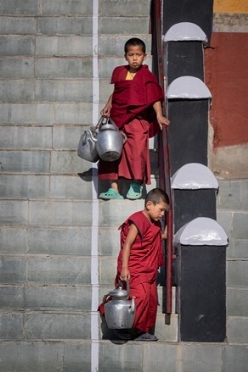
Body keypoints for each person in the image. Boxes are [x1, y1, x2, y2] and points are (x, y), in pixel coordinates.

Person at [98, 38, 170, 200]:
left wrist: (159, 115)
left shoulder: (146, 76)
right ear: (125, 56)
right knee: (112, 150)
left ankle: (136, 184)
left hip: (137, 120)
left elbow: (154, 97)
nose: (135, 58)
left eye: (138, 54)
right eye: (131, 55)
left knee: (137, 152)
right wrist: (108, 105)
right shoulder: (120, 72)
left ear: (144, 56)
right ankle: (114, 189)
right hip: (118, 118)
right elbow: (116, 93)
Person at [99, 188, 170, 341]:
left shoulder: (155, 223)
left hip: (148, 269)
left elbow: (160, 236)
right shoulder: (137, 220)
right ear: (149, 204)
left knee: (149, 299)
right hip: (134, 267)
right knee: (140, 297)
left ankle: (140, 331)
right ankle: (119, 325)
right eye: (161, 210)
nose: (162, 214)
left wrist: (171, 225)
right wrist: (124, 267)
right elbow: (128, 244)